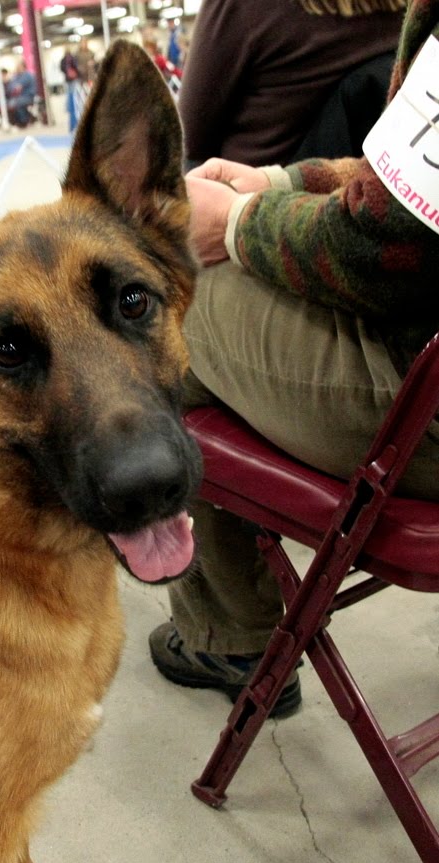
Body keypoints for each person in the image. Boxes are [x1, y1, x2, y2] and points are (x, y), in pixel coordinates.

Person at [149, 0, 439, 717]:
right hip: (349, 247)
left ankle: (228, 634)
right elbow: (407, 185)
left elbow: (383, 249)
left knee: (167, 301)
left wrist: (241, 224)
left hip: (422, 395)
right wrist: (281, 184)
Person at [177, 0, 405, 169]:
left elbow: (188, 135)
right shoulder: (405, 9)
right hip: (372, 197)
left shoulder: (244, 7)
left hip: (264, 213)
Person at [5, 60, 36, 128]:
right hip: (17, 98)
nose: (17, 68)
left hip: (28, 97)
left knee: (15, 103)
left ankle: (23, 121)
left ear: (23, 66)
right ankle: (20, 120)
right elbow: (10, 88)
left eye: (18, 66)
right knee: (9, 104)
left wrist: (15, 87)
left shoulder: (28, 76)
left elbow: (18, 87)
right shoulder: (16, 76)